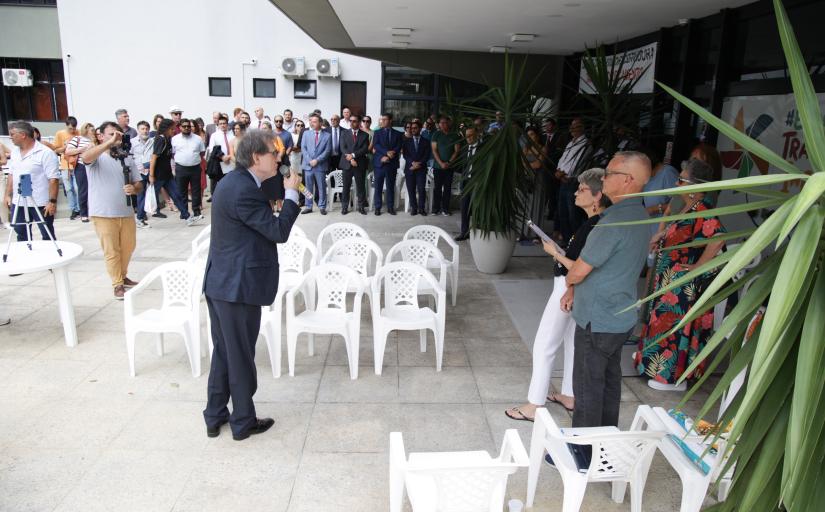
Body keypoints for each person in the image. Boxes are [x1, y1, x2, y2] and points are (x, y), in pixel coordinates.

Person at [202, 130, 302, 441]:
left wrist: (283, 185)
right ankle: (243, 421)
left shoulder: (237, 182)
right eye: (273, 153)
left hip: (223, 282)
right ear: (256, 157)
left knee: (224, 352)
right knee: (240, 354)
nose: (279, 157)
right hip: (236, 287)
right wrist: (292, 196)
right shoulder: (243, 189)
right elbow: (278, 230)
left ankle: (215, 414)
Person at [505, 168, 611, 421]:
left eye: (582, 189)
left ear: (597, 196)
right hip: (574, 287)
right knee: (571, 342)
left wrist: (554, 253)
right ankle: (569, 394)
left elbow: (578, 267)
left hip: (568, 286)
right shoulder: (594, 223)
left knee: (545, 344)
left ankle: (535, 404)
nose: (576, 192)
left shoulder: (595, 226)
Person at [564, 151, 651, 430]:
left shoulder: (612, 222)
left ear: (627, 181)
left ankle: (583, 453)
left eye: (609, 173)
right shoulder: (640, 215)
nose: (604, 178)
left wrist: (569, 282)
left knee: (588, 387)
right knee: (609, 384)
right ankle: (605, 443)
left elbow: (578, 271)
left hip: (597, 318)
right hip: (620, 316)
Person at [636, 158, 726, 391]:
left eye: (681, 179)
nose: (676, 183)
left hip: (681, 283)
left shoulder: (704, 209)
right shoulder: (688, 206)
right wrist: (662, 235)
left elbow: (718, 238)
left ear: (694, 185)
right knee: (660, 324)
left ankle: (672, 378)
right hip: (669, 278)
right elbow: (680, 231)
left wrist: (699, 266)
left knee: (671, 328)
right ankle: (654, 369)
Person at [80, 122, 143, 300]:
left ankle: (122, 276)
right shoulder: (97, 157)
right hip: (103, 213)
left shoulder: (126, 157)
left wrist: (134, 187)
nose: (116, 137)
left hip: (126, 211)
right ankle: (117, 283)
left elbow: (139, 182)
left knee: (128, 247)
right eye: (111, 134)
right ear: (101, 136)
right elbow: (85, 157)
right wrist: (108, 143)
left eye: (118, 134)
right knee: (111, 250)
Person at [4, 121, 60, 241]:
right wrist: (8, 195)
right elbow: (11, 174)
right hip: (18, 201)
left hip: (40, 202)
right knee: (21, 233)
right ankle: (26, 255)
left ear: (23, 135)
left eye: (12, 134)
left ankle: (50, 256)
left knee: (46, 232)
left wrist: (52, 201)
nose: (10, 137)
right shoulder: (14, 152)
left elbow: (53, 179)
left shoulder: (45, 153)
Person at [149, 119, 193, 225]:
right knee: (149, 196)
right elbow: (154, 158)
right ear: (167, 128)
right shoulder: (160, 139)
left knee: (177, 195)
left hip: (167, 175)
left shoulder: (169, 139)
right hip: (158, 176)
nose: (174, 131)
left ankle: (187, 216)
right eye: (172, 129)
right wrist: (151, 175)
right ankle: (140, 216)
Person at [555, 118, 591, 242]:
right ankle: (566, 240)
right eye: (571, 126)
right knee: (562, 212)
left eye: (575, 126)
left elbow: (577, 163)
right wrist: (559, 170)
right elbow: (563, 159)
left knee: (573, 214)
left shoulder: (585, 144)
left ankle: (576, 241)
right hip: (563, 180)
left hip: (573, 181)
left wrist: (563, 173)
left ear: (582, 128)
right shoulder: (571, 143)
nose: (572, 129)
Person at [171, 118, 206, 222]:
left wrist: (192, 159)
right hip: (181, 168)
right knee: (182, 191)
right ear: (180, 127)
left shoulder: (198, 138)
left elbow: (202, 153)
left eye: (188, 126)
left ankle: (196, 211)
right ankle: (184, 212)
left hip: (195, 167)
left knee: (196, 190)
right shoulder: (175, 139)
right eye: (184, 126)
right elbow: (173, 154)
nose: (186, 128)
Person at [371, 113, 403, 216]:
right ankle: (378, 207)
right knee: (378, 187)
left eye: (385, 119)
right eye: (381, 119)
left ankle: (390, 207)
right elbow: (376, 145)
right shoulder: (377, 133)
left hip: (391, 164)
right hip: (379, 163)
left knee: (390, 187)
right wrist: (385, 154)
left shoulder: (398, 134)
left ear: (390, 120)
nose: (382, 121)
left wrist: (389, 156)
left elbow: (398, 147)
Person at [339, 113, 370, 215]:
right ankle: (344, 207)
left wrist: (353, 155)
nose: (352, 122)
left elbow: (364, 149)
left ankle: (361, 207)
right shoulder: (344, 133)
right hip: (347, 164)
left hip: (359, 164)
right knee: (346, 187)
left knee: (360, 187)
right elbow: (343, 148)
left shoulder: (365, 135)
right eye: (351, 121)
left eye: (355, 121)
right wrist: (350, 158)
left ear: (359, 122)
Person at [65, 122, 97, 223]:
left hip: (94, 166)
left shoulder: (95, 140)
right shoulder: (77, 139)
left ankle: (93, 211)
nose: (93, 132)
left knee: (94, 189)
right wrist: (83, 149)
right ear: (86, 129)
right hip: (81, 166)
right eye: (92, 130)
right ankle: (84, 214)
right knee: (83, 190)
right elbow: (68, 151)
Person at [430, 116, 461, 216]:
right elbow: (434, 150)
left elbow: (457, 151)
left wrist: (448, 162)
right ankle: (436, 209)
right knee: (437, 188)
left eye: (445, 122)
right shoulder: (436, 134)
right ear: (439, 124)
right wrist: (441, 163)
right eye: (441, 123)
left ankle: (445, 209)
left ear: (449, 123)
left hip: (449, 167)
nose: (443, 124)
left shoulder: (455, 135)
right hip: (438, 167)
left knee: (447, 188)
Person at [300, 114, 331, 215]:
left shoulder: (327, 136)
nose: (311, 123)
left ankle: (322, 206)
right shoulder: (306, 133)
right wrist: (310, 160)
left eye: (314, 121)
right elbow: (303, 148)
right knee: (307, 187)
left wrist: (317, 160)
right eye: (310, 121)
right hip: (308, 166)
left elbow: (327, 151)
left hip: (320, 166)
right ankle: (308, 206)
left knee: (321, 187)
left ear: (320, 123)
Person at [401, 119, 432, 216]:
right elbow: (405, 155)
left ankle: (421, 208)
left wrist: (419, 164)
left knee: (421, 189)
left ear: (420, 129)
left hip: (421, 169)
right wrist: (413, 163)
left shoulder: (426, 141)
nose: (412, 130)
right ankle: (414, 208)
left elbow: (427, 155)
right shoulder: (406, 141)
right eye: (411, 128)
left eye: (415, 128)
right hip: (410, 168)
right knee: (411, 189)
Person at [456, 125, 481, 240]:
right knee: (464, 207)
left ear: (477, 135)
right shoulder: (465, 148)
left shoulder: (483, 148)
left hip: (477, 182)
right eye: (467, 136)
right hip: (466, 181)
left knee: (476, 208)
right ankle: (464, 232)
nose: (469, 138)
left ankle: (477, 233)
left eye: (471, 135)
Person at [53, 116, 81, 220]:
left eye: (74, 128)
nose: (73, 130)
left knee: (78, 188)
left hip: (77, 163)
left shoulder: (79, 133)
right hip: (65, 165)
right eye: (70, 128)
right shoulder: (60, 134)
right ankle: (73, 209)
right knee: (69, 189)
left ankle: (79, 208)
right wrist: (66, 147)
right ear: (66, 126)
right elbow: (55, 150)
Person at [131, 121, 154, 228]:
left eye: (146, 129)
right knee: (141, 195)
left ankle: (143, 215)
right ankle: (140, 218)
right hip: (138, 172)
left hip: (150, 171)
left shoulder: (152, 141)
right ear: (138, 130)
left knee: (150, 194)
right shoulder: (132, 142)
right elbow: (129, 157)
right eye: (142, 129)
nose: (145, 131)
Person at [206, 115, 235, 198]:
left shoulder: (232, 134)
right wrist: (222, 157)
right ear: (218, 125)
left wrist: (229, 156)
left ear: (227, 124)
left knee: (230, 183)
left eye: (224, 123)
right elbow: (212, 149)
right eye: (221, 123)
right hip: (219, 163)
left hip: (231, 162)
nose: (222, 125)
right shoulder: (214, 135)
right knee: (218, 184)